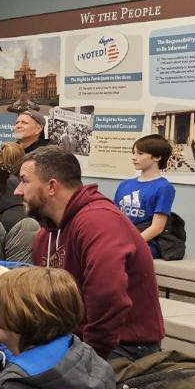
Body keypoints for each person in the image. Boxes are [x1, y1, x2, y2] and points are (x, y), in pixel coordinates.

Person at [20, 146, 163, 361]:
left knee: (24, 384)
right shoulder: (46, 233)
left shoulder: (98, 221)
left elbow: (107, 295)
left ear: (51, 187)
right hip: (72, 338)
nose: (17, 190)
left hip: (122, 347)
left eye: (24, 181)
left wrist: (90, 358)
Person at [114, 135, 175, 258]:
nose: (134, 157)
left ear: (157, 157)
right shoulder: (124, 184)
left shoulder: (163, 188)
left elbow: (157, 227)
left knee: (116, 255)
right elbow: (114, 217)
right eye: (134, 153)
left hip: (145, 242)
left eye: (140, 153)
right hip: (121, 238)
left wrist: (130, 244)